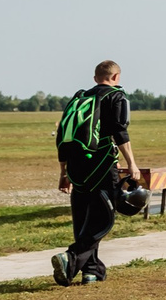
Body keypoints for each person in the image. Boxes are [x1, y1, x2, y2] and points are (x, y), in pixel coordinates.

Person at [52, 60, 138, 286]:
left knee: (83, 217)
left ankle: (92, 271)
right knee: (102, 218)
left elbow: (63, 135)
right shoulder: (116, 96)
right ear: (116, 77)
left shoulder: (80, 97)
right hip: (101, 163)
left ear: (95, 78)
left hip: (76, 165)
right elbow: (120, 132)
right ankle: (70, 258)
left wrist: (64, 172)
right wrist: (132, 163)